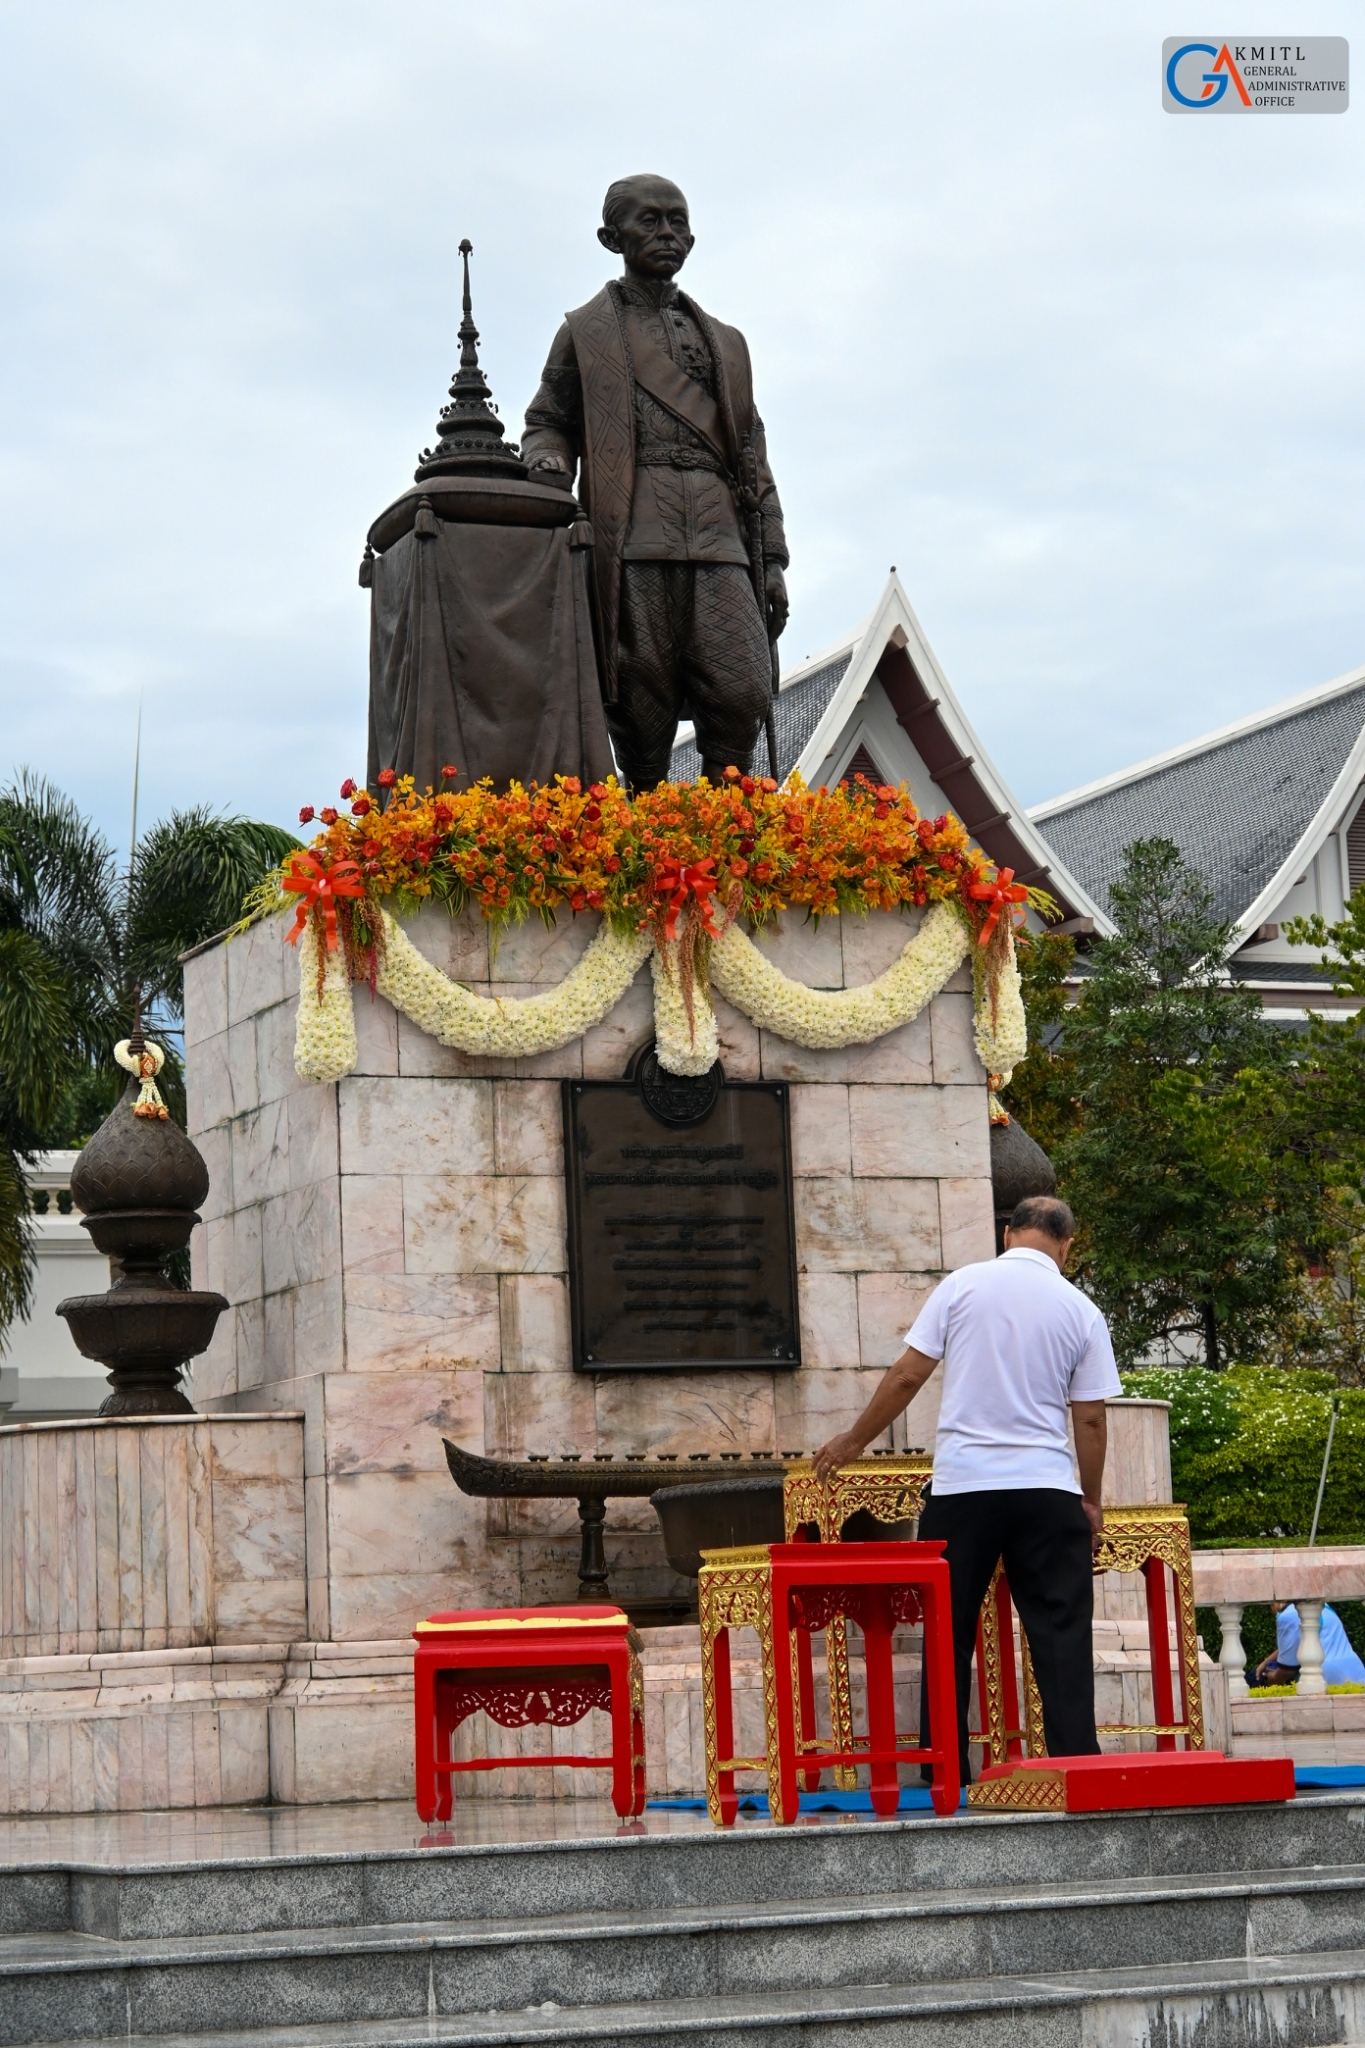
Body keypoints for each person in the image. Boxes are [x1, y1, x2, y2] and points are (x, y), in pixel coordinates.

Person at [813, 1194, 1121, 1780]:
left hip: (963, 1491)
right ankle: (1076, 1765)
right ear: (1066, 1245)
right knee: (1060, 1631)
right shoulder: (1081, 1309)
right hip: (1045, 1489)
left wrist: (853, 1441)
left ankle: (946, 1771)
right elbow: (1090, 1418)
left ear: (1008, 1234)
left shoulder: (961, 1286)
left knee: (948, 1630)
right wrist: (1090, 1499)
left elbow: (907, 1377)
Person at [521, 175, 789, 790]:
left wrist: (772, 557)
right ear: (611, 237)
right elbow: (547, 421)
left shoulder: (726, 343)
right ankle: (645, 821)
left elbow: (752, 450)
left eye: (678, 221)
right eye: (650, 221)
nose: (668, 233)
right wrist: (549, 461)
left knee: (742, 690)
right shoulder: (586, 332)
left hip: (721, 539)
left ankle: (733, 825)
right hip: (632, 538)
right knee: (640, 699)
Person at [1250, 1602, 1365, 1688]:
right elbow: (1295, 1643)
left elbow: (1287, 1669)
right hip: (1356, 1671)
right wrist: (1265, 1662)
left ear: (1273, 1604)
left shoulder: (1287, 1616)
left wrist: (1272, 1678)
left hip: (1327, 1678)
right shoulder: (1322, 1605)